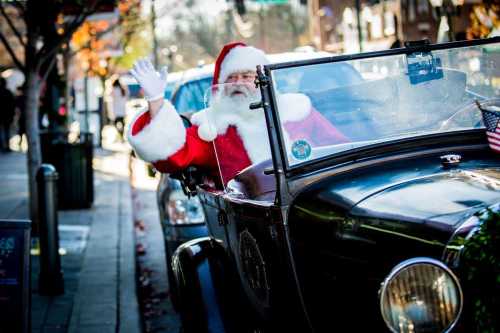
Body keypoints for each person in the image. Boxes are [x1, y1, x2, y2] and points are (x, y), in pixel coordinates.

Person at [127, 42, 348, 185]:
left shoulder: (297, 111)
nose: (238, 84)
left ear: (264, 80)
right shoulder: (213, 128)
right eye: (231, 78)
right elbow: (172, 157)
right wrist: (155, 101)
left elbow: (342, 150)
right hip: (252, 224)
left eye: (247, 76)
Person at [0, 77, 16, 152]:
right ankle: (6, 146)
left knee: (4, 131)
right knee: (6, 131)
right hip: (7, 115)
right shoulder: (8, 92)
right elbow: (13, 105)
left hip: (5, 115)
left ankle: (3, 146)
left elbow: (12, 105)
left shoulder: (8, 92)